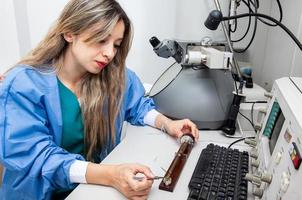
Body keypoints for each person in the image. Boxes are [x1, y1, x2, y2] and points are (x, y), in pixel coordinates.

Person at [0, 0, 199, 199]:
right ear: (69, 33)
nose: (110, 53)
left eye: (116, 45)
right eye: (101, 39)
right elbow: (38, 158)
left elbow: (137, 106)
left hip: (92, 189)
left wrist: (168, 124)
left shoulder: (112, 76)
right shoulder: (23, 84)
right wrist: (110, 175)